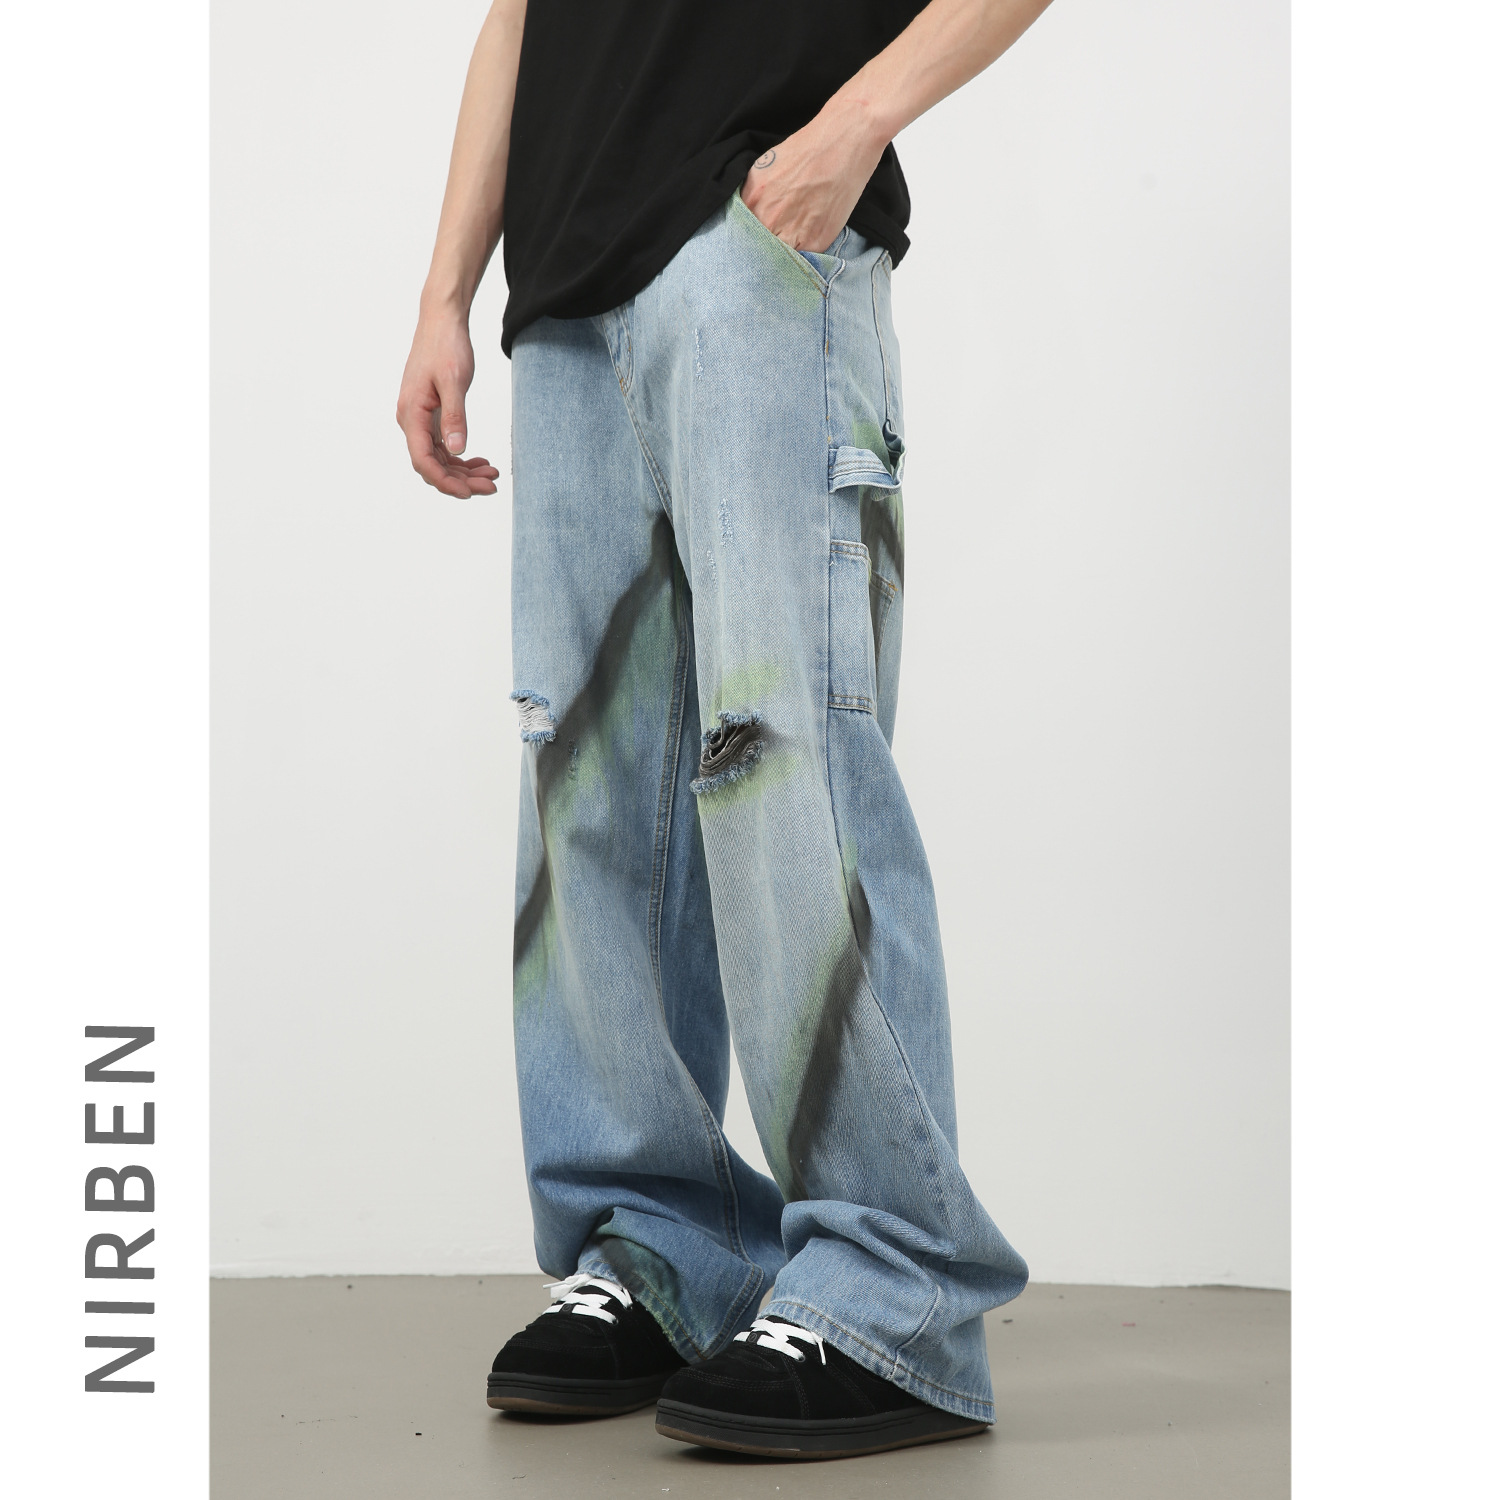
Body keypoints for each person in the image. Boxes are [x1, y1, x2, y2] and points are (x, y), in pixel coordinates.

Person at [397, 0, 1053, 1461]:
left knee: (784, 761)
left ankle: (896, 1289)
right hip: (567, 290)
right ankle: (657, 1244)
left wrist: (852, 128)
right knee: (587, 794)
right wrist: (449, 292)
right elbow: (516, 17)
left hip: (756, 239)